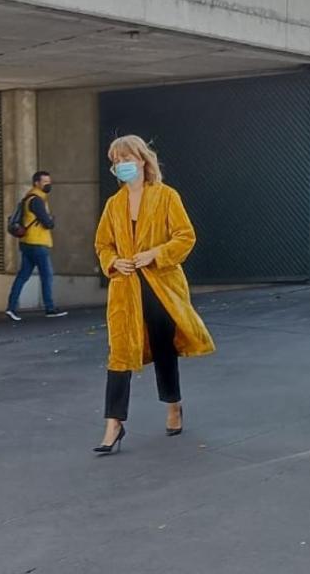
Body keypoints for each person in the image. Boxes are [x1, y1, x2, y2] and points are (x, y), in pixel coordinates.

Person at [93, 135, 215, 455]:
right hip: (125, 288)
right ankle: (113, 423)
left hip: (161, 285)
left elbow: (185, 236)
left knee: (163, 349)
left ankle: (173, 405)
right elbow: (103, 244)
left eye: (126, 158)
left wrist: (156, 254)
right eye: (116, 161)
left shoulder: (166, 196)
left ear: (143, 160)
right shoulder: (113, 204)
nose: (121, 165)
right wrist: (112, 261)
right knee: (119, 353)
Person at [5, 171, 68, 321]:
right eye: (45, 182)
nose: (48, 184)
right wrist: (51, 220)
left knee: (22, 276)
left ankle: (11, 307)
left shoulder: (28, 197)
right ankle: (50, 308)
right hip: (38, 243)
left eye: (49, 181)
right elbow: (47, 222)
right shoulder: (37, 200)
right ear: (36, 183)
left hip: (27, 242)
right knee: (47, 276)